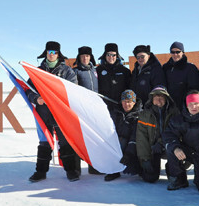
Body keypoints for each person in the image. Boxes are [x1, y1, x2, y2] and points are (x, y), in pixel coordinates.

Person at [26, 41, 81, 182]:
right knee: (45, 142)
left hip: (61, 114)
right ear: (46, 53)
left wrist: (58, 98)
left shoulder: (67, 71)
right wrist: (36, 98)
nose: (52, 55)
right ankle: (40, 172)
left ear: (58, 54)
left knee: (65, 142)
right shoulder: (37, 71)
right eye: (49, 52)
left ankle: (70, 171)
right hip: (43, 113)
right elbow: (27, 90)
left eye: (54, 52)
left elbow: (73, 90)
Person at [163, 90, 199, 191]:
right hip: (188, 151)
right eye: (191, 104)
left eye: (196, 104)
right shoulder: (179, 119)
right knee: (171, 148)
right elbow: (169, 134)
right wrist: (175, 148)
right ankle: (179, 179)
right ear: (186, 105)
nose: (193, 107)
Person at [136, 86, 178, 183]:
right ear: (152, 100)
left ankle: (173, 169)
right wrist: (145, 159)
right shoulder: (144, 114)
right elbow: (141, 138)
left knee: (176, 175)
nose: (159, 100)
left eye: (161, 97)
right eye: (156, 97)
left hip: (169, 146)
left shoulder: (174, 112)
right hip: (152, 148)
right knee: (150, 177)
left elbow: (174, 132)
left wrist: (161, 142)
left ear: (166, 99)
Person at [73, 46, 101, 175]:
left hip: (95, 110)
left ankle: (93, 166)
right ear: (79, 57)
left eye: (88, 56)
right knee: (79, 138)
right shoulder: (75, 71)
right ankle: (75, 168)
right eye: (83, 56)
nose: (85, 58)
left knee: (93, 138)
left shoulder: (95, 70)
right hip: (82, 110)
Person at [105, 89, 143, 182]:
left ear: (134, 102)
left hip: (133, 145)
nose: (127, 105)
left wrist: (129, 154)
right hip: (118, 144)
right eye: (124, 102)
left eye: (129, 102)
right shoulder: (115, 113)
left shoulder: (140, 115)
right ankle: (114, 169)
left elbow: (135, 136)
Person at [162, 41, 199, 107]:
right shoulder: (166, 67)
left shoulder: (190, 68)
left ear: (183, 52)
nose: (175, 54)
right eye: (172, 52)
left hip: (184, 104)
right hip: (169, 104)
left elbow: (194, 88)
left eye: (178, 52)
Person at [96, 43, 131, 110]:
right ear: (105, 55)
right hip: (103, 106)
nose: (111, 57)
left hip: (120, 106)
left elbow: (129, 88)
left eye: (113, 55)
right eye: (108, 54)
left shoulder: (125, 71)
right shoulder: (98, 70)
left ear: (117, 55)